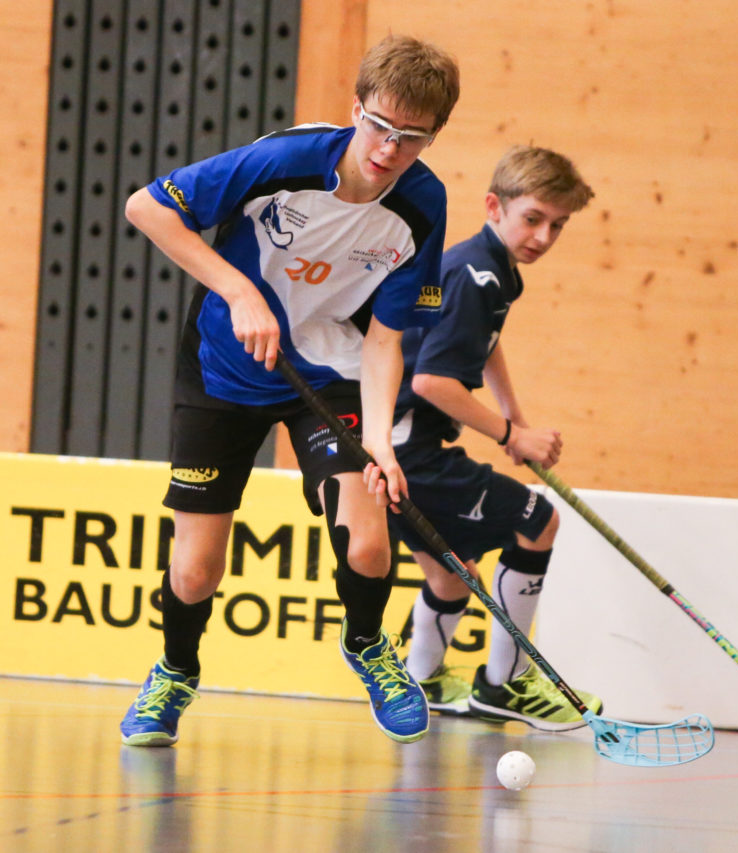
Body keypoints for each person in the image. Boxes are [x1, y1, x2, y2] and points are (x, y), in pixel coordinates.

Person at [118, 35, 461, 747]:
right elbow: (146, 208)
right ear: (356, 108)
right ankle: (176, 671)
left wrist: (379, 442)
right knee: (196, 569)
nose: (389, 148)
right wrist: (240, 290)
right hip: (224, 366)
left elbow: (385, 339)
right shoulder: (285, 162)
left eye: (412, 136)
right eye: (380, 125)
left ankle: (367, 644)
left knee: (367, 545)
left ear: (434, 136)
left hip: (327, 373)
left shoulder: (424, 207)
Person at [388, 145, 604, 731]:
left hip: (396, 454)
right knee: (538, 520)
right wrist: (510, 434)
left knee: (453, 574)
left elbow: (487, 343)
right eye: (533, 218)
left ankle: (421, 683)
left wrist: (517, 421)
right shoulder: (474, 275)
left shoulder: (493, 271)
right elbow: (432, 382)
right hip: (408, 455)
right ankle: (504, 685)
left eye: (557, 225)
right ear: (494, 206)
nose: (544, 237)